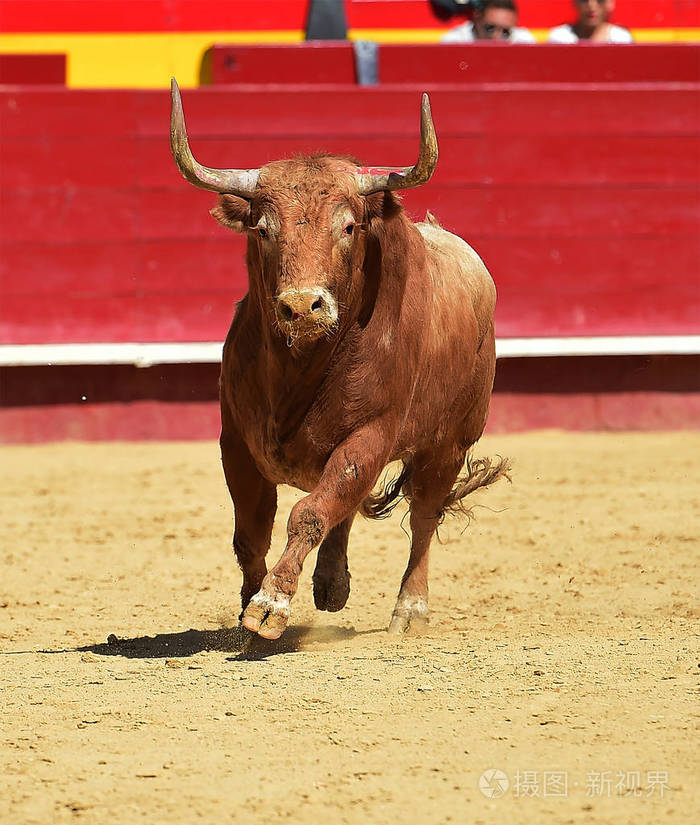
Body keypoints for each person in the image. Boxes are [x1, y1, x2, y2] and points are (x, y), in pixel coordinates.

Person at [441, 0, 536, 44]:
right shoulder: (455, 42)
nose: (497, 38)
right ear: (476, 18)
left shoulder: (523, 41)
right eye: (490, 28)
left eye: (505, 32)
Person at [548, 0, 633, 43]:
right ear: (575, 2)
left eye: (600, 0)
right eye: (585, 0)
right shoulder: (560, 37)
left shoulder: (621, 38)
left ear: (610, 3)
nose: (592, 6)